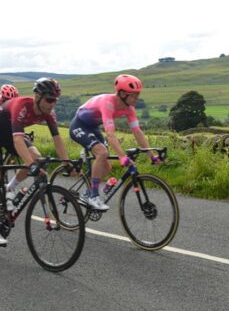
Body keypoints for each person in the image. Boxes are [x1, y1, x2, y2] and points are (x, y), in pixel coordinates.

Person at [0, 78, 70, 246]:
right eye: (49, 100)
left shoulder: (49, 114)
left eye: (55, 100)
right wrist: (31, 165)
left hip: (13, 134)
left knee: (37, 157)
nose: (52, 104)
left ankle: (10, 187)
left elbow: (57, 139)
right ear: (37, 96)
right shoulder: (21, 105)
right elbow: (18, 142)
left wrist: (67, 163)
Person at [68, 74, 161, 211]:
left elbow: (137, 132)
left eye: (137, 95)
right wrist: (122, 156)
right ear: (122, 94)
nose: (137, 98)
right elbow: (110, 134)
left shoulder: (129, 109)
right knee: (102, 153)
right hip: (79, 125)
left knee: (107, 167)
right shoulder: (108, 103)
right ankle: (93, 196)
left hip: (92, 128)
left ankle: (87, 191)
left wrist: (151, 155)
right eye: (134, 95)